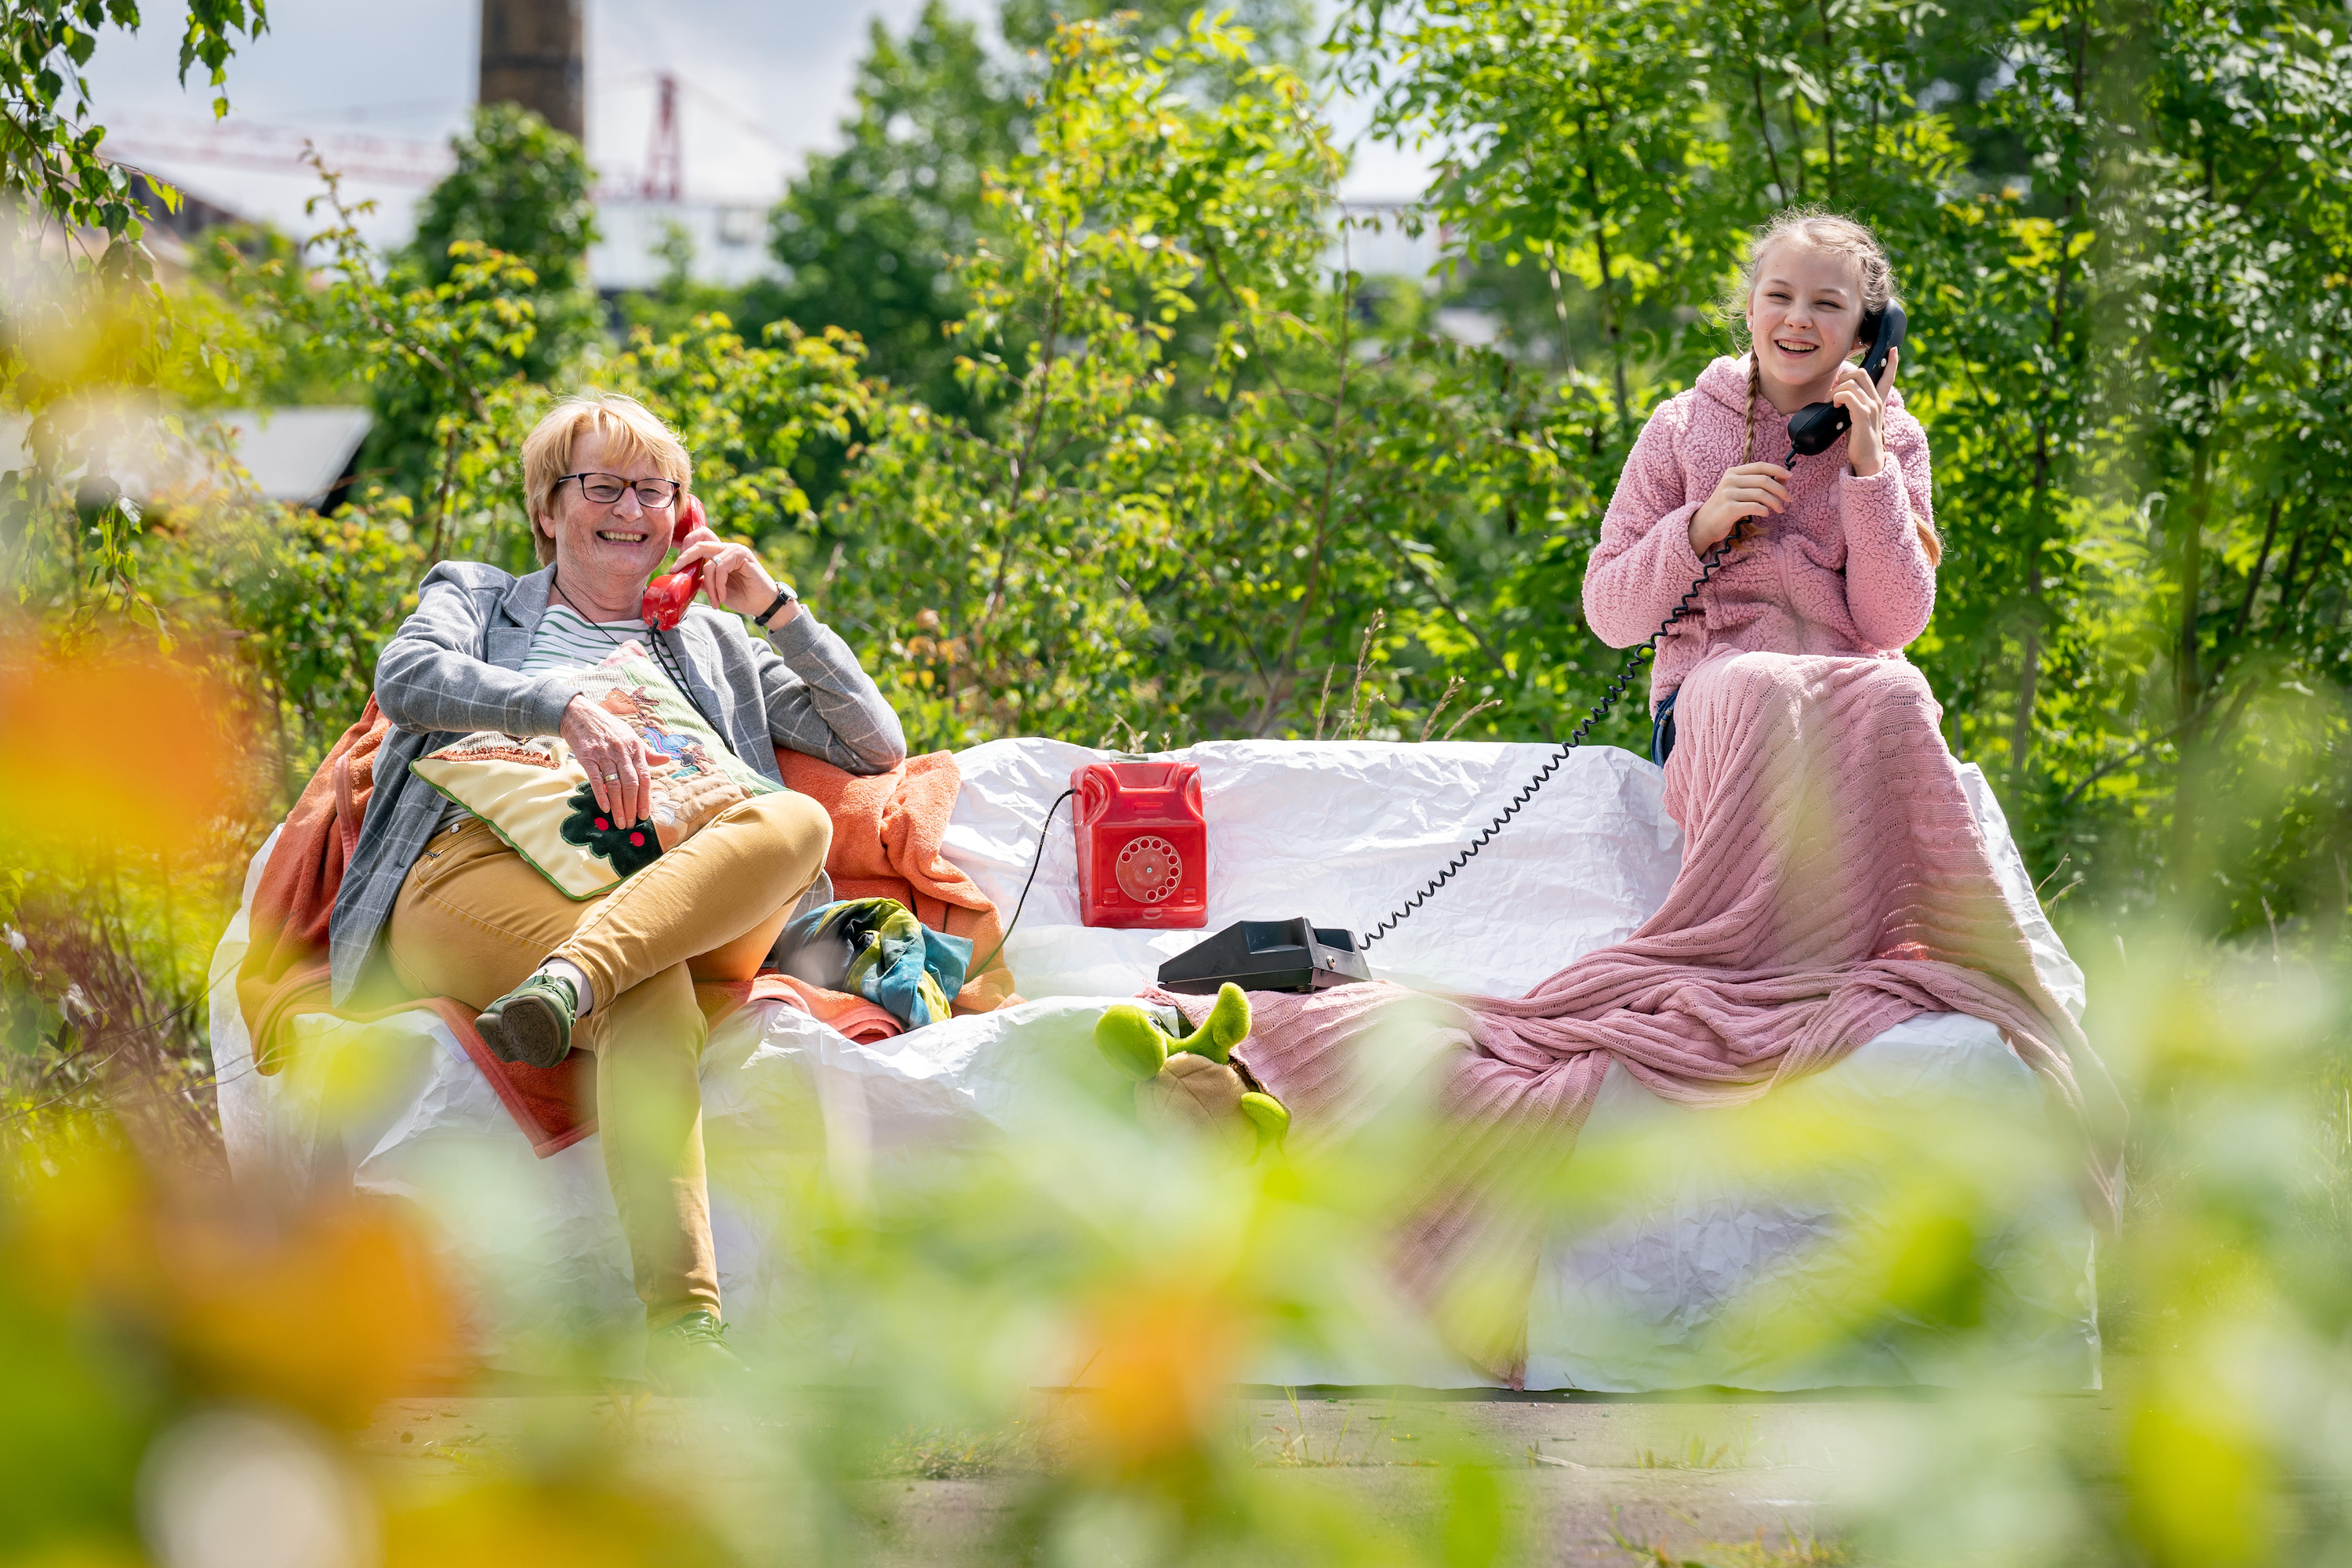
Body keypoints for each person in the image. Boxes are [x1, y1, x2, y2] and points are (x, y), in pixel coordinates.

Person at [329, 392, 906, 1391]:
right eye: (604, 486)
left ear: (683, 512)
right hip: (481, 872)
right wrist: (565, 707)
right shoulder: (479, 598)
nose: (631, 510)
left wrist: (774, 608)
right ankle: (687, 1328)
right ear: (550, 507)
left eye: (656, 490)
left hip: (667, 886)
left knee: (796, 821)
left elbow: (875, 743)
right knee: (648, 995)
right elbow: (408, 674)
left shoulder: (714, 646)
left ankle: (571, 980)